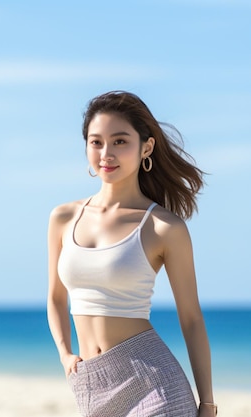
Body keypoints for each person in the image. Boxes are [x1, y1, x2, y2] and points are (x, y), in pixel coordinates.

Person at [47, 91, 216, 417]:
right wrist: (65, 355)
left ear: (146, 147)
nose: (106, 153)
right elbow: (56, 298)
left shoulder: (164, 227)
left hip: (155, 386)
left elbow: (192, 319)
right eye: (96, 142)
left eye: (120, 141)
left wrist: (207, 403)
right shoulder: (64, 218)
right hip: (91, 387)